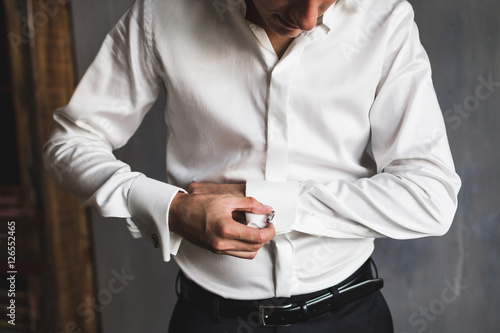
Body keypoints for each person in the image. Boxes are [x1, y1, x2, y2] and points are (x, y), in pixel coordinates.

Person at [43, 0, 461, 331]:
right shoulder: (161, 13)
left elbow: (430, 196)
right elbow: (71, 140)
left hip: (350, 314)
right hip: (210, 319)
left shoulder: (386, 20)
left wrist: (274, 203)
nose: (309, 18)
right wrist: (171, 209)